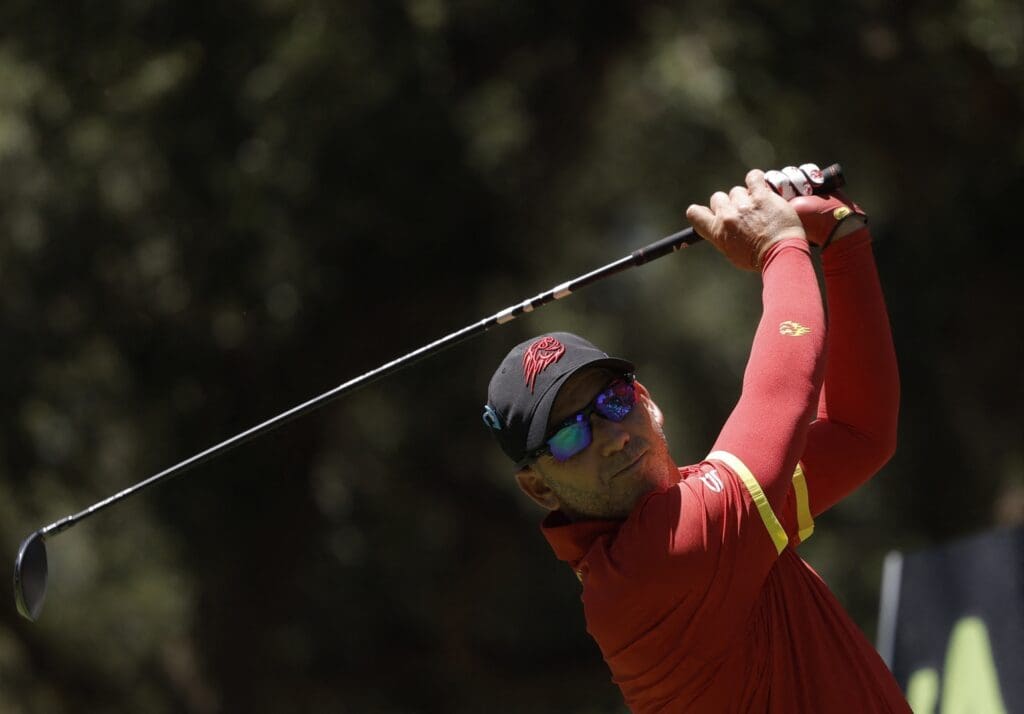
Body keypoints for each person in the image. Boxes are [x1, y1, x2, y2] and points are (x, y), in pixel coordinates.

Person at [481, 166, 909, 712]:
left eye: (613, 401)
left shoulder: (720, 522)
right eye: (570, 436)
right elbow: (781, 391)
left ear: (648, 400)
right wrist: (779, 246)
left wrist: (844, 242)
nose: (611, 436)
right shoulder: (652, 569)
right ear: (538, 489)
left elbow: (858, 433)